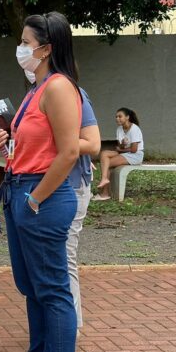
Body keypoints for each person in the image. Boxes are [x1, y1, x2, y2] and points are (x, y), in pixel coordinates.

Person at [0, 12, 81, 352]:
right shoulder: (36, 89)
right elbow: (34, 145)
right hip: (21, 191)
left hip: (41, 197)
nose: (21, 49)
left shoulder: (59, 87)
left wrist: (36, 198)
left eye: (27, 42)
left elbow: (70, 150)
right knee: (32, 287)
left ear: (47, 49)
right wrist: (5, 142)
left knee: (53, 289)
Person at [66, 90, 101, 332]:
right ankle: (61, 324)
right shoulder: (34, 92)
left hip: (71, 187)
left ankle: (70, 326)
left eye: (27, 48)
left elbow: (92, 144)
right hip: (40, 186)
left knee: (63, 257)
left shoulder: (73, 93)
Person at [93, 108, 144, 201]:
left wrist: (120, 149)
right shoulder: (119, 129)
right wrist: (122, 145)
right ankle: (104, 180)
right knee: (104, 153)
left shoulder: (134, 129)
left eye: (120, 116)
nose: (117, 119)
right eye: (116, 117)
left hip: (135, 155)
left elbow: (134, 149)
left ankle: (105, 193)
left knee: (106, 164)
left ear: (127, 117)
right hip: (125, 152)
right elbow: (120, 146)